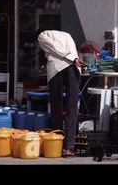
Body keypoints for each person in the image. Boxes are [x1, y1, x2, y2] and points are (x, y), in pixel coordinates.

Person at [35, 29, 88, 157]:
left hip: (57, 69)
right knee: (72, 107)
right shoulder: (67, 34)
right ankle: (69, 147)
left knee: (57, 106)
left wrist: (73, 58)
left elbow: (55, 48)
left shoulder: (42, 35)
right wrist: (74, 59)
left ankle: (57, 145)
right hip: (74, 68)